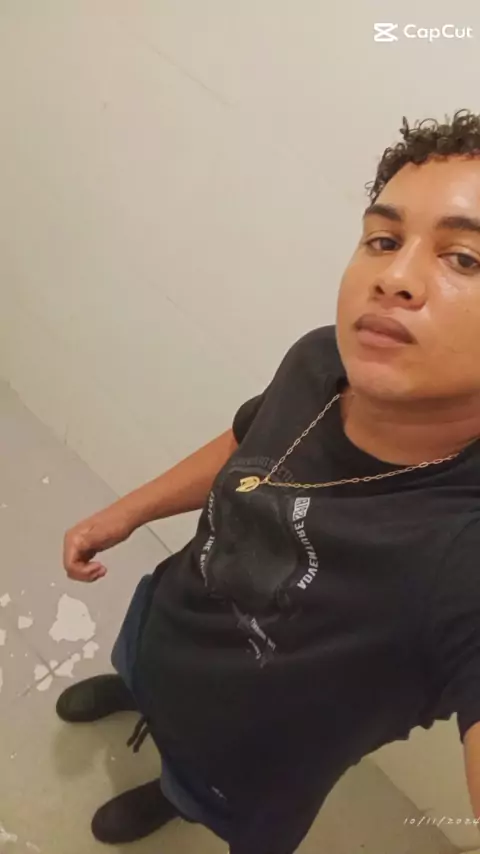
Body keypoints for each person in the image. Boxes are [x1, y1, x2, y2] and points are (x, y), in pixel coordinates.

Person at [57, 109, 480, 853]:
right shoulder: (320, 359)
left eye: (465, 259)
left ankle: (170, 793)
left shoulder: (463, 551)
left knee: (193, 782)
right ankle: (137, 692)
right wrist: (127, 513)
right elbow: (247, 441)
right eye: (384, 241)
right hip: (171, 618)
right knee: (141, 667)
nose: (394, 277)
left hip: (243, 750)